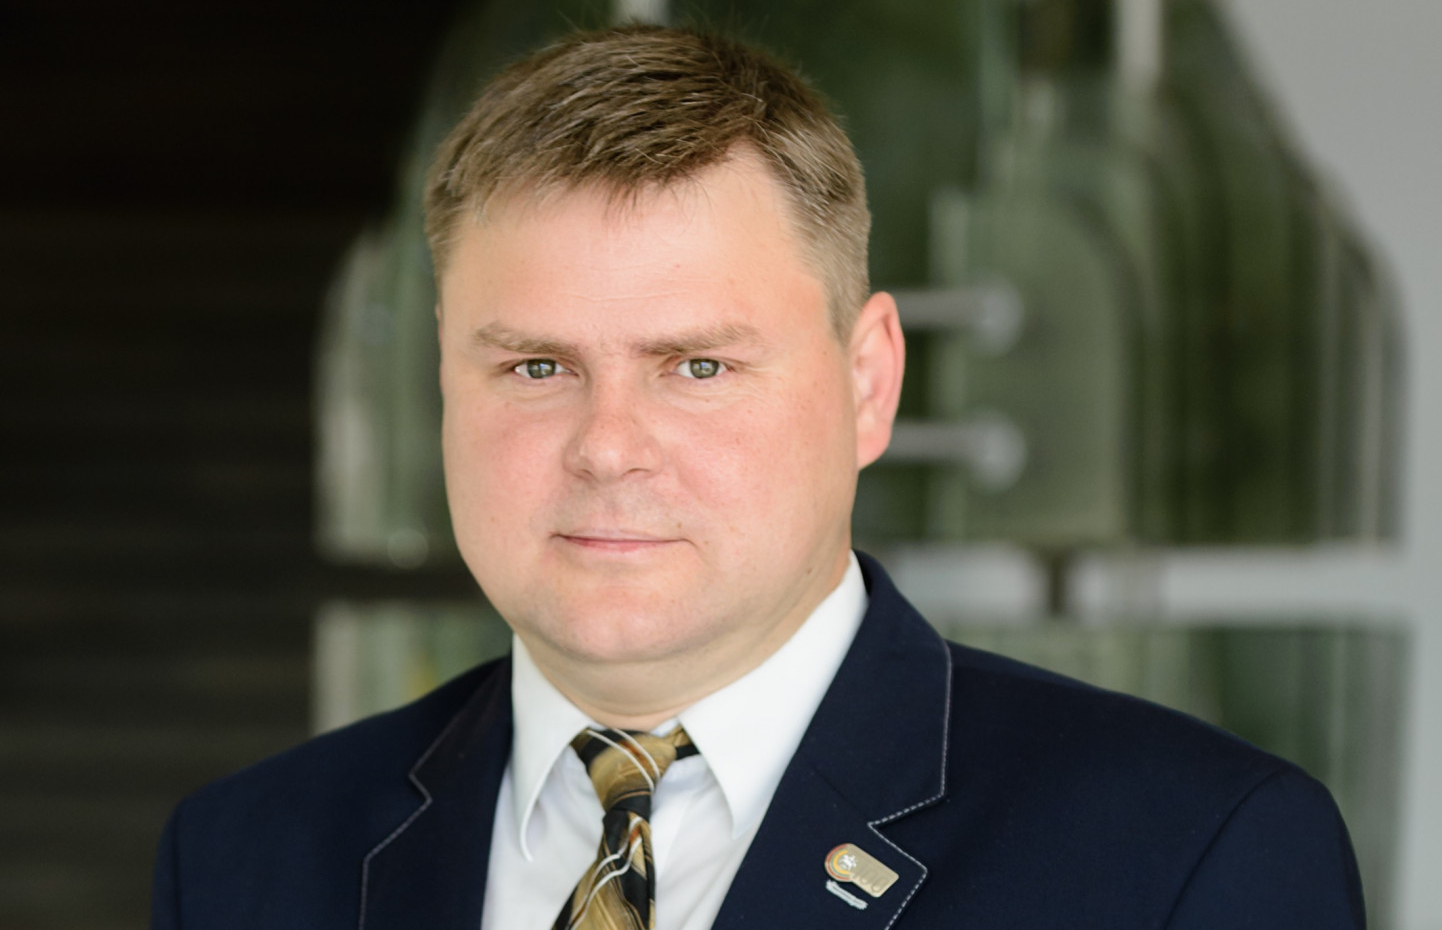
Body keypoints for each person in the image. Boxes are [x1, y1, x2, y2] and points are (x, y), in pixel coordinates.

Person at [151, 24, 1365, 930]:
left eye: (696, 366)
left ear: (867, 383)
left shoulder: (1184, 858)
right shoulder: (244, 861)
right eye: (534, 366)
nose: (607, 445)